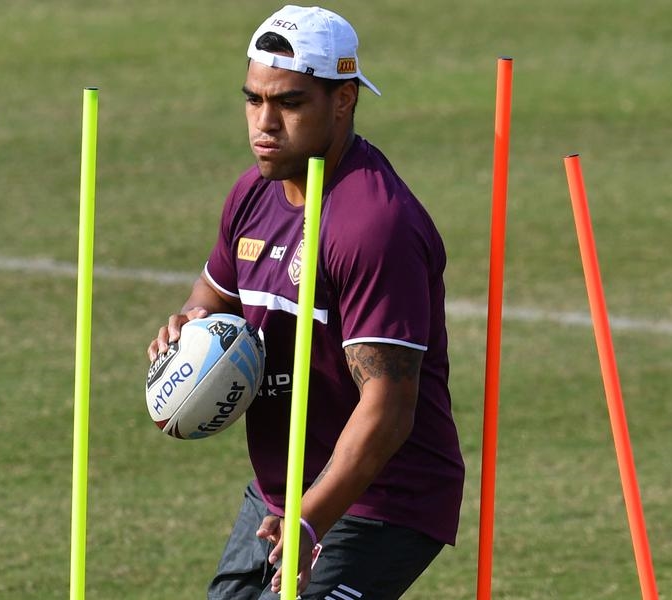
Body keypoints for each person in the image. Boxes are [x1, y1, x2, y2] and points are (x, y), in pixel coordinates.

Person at [147, 5, 465, 599]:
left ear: (343, 100)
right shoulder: (252, 193)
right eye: (253, 100)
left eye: (289, 103)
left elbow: (389, 408)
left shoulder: (373, 225)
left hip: (382, 498)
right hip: (282, 489)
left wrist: (309, 520)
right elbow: (213, 295)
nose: (264, 123)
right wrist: (192, 328)